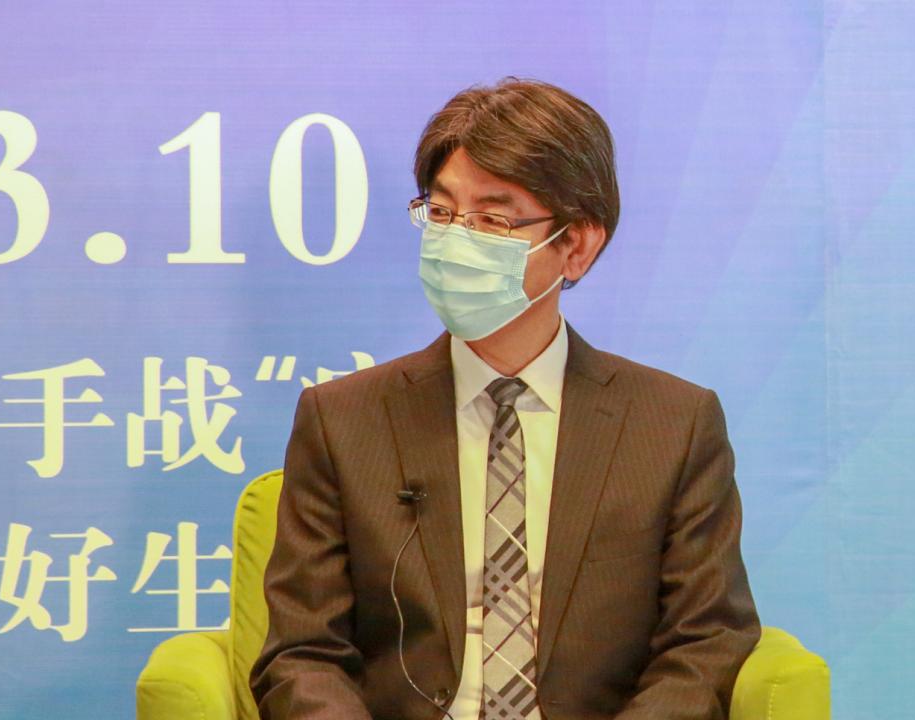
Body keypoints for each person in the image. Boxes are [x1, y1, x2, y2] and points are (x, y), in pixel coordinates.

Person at [250, 78, 760, 720]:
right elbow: (303, 654)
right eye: (442, 213)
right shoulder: (343, 420)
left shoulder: (673, 425)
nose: (457, 239)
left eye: (492, 220)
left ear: (577, 245)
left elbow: (705, 643)